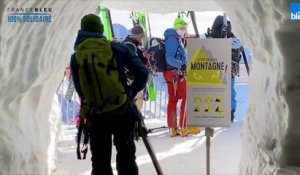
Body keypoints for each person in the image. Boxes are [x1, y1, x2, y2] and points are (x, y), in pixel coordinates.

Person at [70, 14, 148, 175]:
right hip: (122, 110)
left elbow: (80, 89)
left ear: (82, 30)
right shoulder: (117, 49)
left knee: (100, 161)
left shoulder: (76, 57)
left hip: (96, 115)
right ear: (100, 30)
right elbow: (142, 73)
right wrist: (129, 93)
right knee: (126, 156)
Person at [163, 17, 200, 137]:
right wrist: (182, 65)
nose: (183, 30)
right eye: (181, 27)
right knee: (187, 97)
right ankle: (185, 127)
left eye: (184, 28)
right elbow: (169, 57)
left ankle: (173, 128)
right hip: (176, 74)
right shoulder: (173, 40)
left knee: (173, 100)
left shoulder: (171, 38)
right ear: (176, 27)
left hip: (170, 74)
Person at [210, 15, 243, 122]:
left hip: (216, 67)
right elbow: (239, 52)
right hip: (231, 67)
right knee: (230, 91)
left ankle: (218, 113)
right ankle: (230, 114)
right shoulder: (232, 33)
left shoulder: (214, 34)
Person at [123, 25, 150, 110]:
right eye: (141, 36)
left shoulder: (129, 43)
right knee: (138, 100)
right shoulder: (130, 45)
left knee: (135, 100)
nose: (142, 38)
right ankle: (135, 120)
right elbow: (133, 64)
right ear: (138, 36)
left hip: (129, 78)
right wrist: (144, 59)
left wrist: (144, 58)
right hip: (131, 79)